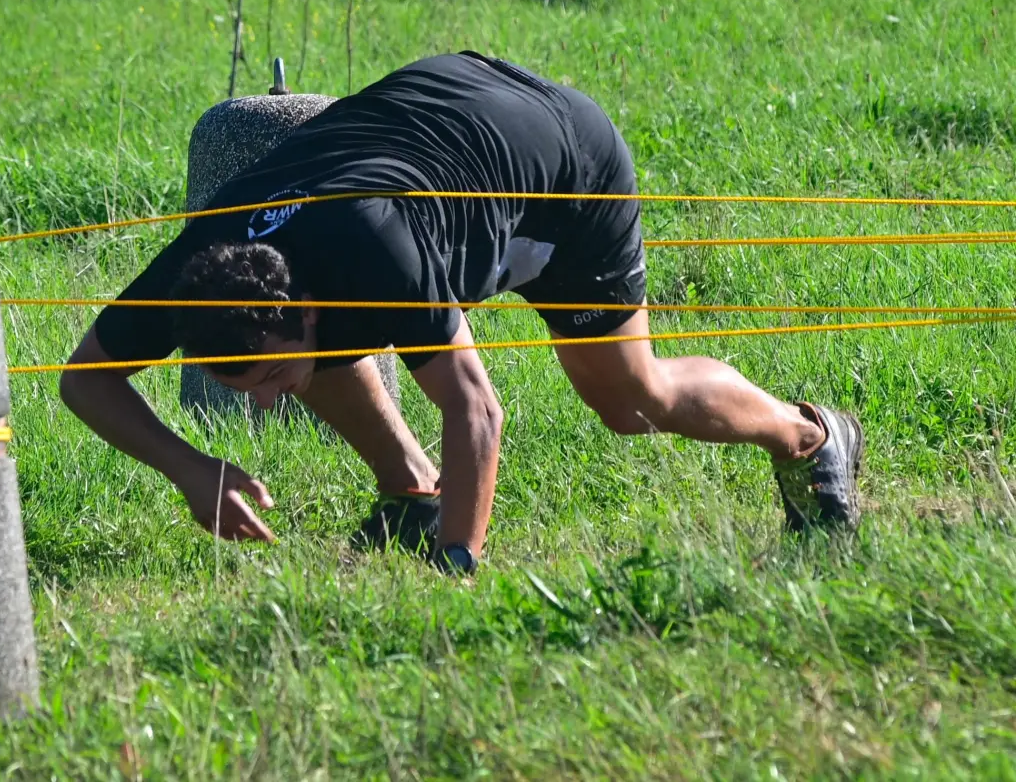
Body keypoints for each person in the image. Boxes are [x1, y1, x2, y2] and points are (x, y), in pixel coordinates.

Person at [57, 51, 863, 575]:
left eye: (264, 375)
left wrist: (459, 567)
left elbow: (477, 408)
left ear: (298, 307)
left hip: (557, 168)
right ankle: (412, 492)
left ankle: (811, 438)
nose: (262, 399)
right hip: (445, 115)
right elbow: (86, 381)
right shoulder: (200, 266)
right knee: (323, 355)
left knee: (631, 399)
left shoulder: (377, 253)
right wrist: (191, 468)